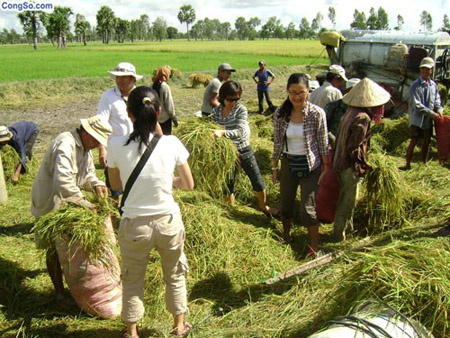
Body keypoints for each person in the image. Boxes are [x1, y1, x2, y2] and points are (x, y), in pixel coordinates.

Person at [107, 87, 194, 337]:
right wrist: (167, 180)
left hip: (134, 225)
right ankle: (179, 326)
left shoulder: (115, 145)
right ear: (158, 111)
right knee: (175, 275)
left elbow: (116, 186)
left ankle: (132, 332)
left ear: (128, 113)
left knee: (133, 279)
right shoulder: (172, 143)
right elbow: (188, 184)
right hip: (168, 222)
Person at [31, 116, 112, 302]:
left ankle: (75, 284)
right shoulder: (65, 144)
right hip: (50, 199)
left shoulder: (86, 149)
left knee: (66, 244)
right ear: (86, 132)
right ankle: (59, 292)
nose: (97, 144)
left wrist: (97, 185)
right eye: (96, 139)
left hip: (67, 199)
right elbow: (63, 181)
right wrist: (85, 203)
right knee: (51, 245)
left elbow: (88, 175)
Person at [272, 73, 329, 253]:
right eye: (293, 92)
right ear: (288, 92)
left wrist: (325, 168)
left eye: (301, 92)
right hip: (289, 163)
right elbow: (277, 142)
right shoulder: (281, 114)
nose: (297, 96)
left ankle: (314, 245)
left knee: (307, 208)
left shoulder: (316, 114)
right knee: (286, 204)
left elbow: (322, 142)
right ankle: (286, 236)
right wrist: (275, 167)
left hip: (311, 165)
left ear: (308, 92)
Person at [333, 78, 390, 241]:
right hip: (349, 167)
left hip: (340, 162)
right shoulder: (362, 118)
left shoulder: (350, 112)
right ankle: (338, 237)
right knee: (347, 202)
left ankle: (348, 231)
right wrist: (365, 164)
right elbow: (354, 147)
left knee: (347, 199)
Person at [212, 80, 279, 217]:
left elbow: (241, 131)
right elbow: (213, 129)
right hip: (227, 153)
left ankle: (263, 206)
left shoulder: (241, 109)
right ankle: (231, 210)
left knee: (256, 179)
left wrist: (223, 133)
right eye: (230, 99)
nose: (234, 102)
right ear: (223, 97)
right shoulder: (216, 112)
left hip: (243, 149)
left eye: (237, 99)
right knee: (228, 183)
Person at [96, 62, 143, 198]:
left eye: (124, 77)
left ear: (133, 79)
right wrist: (101, 148)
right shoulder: (108, 97)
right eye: (117, 77)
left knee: (137, 191)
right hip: (115, 151)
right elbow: (101, 123)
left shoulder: (141, 95)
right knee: (115, 192)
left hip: (138, 151)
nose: (120, 80)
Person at [404, 57, 443, 170]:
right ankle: (407, 164)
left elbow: (437, 100)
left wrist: (439, 110)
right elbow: (417, 105)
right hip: (417, 119)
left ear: (432, 70)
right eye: (423, 69)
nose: (425, 71)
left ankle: (423, 163)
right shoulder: (415, 85)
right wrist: (431, 114)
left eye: (427, 69)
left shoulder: (433, 85)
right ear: (420, 70)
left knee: (427, 141)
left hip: (428, 120)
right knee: (414, 140)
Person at [324, 78, 361, 145]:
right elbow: (323, 126)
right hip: (335, 146)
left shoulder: (361, 109)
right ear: (348, 91)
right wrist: (332, 139)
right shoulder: (334, 106)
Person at [152, 66, 178, 135]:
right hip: (164, 119)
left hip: (154, 118)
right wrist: (173, 117)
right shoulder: (165, 87)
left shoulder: (151, 85)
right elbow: (169, 104)